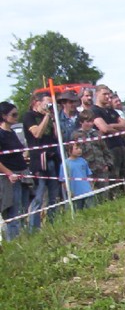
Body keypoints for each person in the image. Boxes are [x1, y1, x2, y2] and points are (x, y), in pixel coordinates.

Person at [24, 92, 62, 231]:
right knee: (39, 196)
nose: (49, 106)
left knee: (53, 195)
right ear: (37, 102)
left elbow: (57, 136)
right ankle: (33, 229)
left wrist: (53, 117)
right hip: (39, 161)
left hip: (53, 158)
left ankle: (53, 224)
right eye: (47, 102)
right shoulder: (29, 116)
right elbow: (37, 133)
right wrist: (46, 115)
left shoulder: (49, 117)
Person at [91, 85, 125, 197]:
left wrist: (112, 125)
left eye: (108, 94)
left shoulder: (111, 110)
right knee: (113, 177)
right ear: (97, 94)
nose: (107, 97)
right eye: (104, 94)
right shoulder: (94, 110)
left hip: (119, 145)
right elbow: (104, 128)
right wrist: (116, 127)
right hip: (107, 148)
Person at [0, 102, 30, 240]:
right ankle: (12, 242)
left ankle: (22, 239)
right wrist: (9, 173)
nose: (16, 117)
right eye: (13, 114)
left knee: (23, 208)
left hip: (22, 173)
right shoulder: (1, 134)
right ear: (3, 116)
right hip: (10, 178)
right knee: (12, 212)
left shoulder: (12, 132)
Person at [72, 110, 113, 202]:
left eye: (92, 121)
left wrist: (108, 164)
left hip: (101, 167)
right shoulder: (76, 135)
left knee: (104, 193)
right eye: (87, 121)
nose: (90, 124)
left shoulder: (97, 134)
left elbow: (105, 150)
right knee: (90, 194)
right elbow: (73, 153)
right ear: (81, 122)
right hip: (86, 169)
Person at [58, 142, 94, 210]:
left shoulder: (83, 161)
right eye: (76, 148)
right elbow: (63, 181)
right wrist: (69, 192)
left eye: (80, 148)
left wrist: (91, 186)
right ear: (69, 151)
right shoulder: (65, 164)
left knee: (91, 209)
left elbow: (88, 175)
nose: (79, 150)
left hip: (87, 191)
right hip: (75, 193)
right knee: (78, 211)